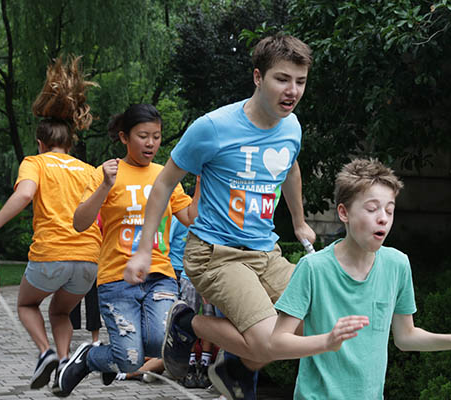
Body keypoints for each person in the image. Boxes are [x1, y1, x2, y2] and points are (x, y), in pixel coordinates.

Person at [124, 33, 316, 400]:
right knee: (265, 342)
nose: (292, 90)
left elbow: (290, 168)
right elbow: (163, 185)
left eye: (300, 81)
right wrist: (144, 250)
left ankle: (233, 368)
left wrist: (299, 220)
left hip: (266, 253)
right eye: (282, 79)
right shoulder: (212, 128)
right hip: (215, 254)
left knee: (314, 321)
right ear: (258, 77)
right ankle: (187, 324)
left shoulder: (291, 127)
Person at [269, 158, 451, 399]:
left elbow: (405, 337)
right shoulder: (313, 268)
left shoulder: (397, 264)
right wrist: (327, 341)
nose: (383, 218)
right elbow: (277, 343)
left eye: (389, 210)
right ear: (343, 212)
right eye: (372, 208)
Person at [0, 55, 102, 392]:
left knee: (27, 304)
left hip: (51, 254)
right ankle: (65, 363)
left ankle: (45, 353)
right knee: (61, 312)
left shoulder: (35, 163)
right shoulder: (87, 170)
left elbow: (25, 195)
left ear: (41, 143)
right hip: (88, 260)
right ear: (70, 143)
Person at [58, 104, 199, 396]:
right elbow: (80, 223)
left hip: (159, 274)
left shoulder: (166, 175)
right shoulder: (106, 172)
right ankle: (90, 358)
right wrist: (105, 187)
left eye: (157, 136)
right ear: (124, 137)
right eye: (143, 136)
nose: (150, 143)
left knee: (159, 343)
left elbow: (190, 218)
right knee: (129, 360)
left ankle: (107, 359)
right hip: (116, 277)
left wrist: (201, 184)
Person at [170, 217, 215, 389]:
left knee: (210, 321)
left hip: (212, 278)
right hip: (189, 277)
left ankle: (204, 366)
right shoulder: (184, 217)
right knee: (187, 321)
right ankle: (188, 366)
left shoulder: (214, 218)